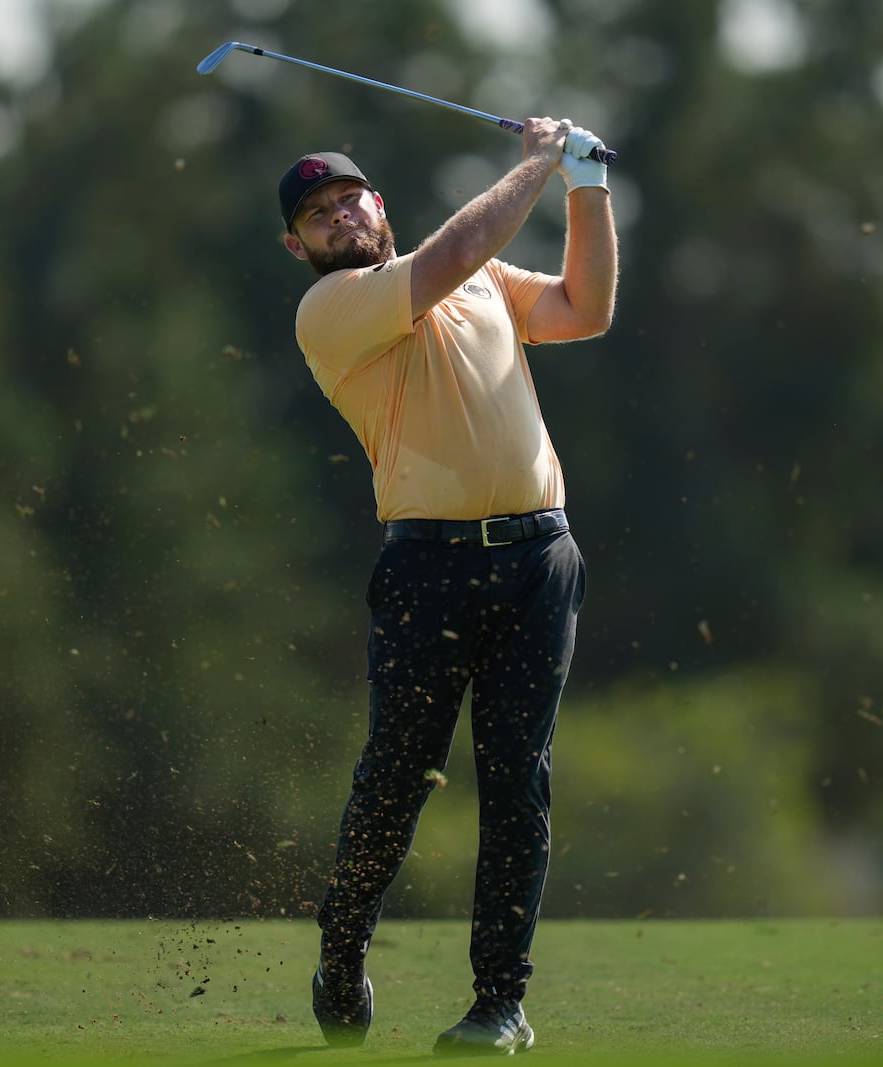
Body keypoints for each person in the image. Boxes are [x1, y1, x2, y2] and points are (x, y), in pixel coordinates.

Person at [277, 116, 617, 1055]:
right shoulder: (335, 309)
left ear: (378, 203)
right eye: (317, 212)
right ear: (298, 244)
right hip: (429, 567)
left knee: (519, 785)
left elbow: (585, 309)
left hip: (539, 558)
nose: (340, 214)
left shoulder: (485, 286)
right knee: (396, 780)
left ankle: (499, 1002)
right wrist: (542, 164)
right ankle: (341, 951)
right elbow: (458, 246)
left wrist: (587, 187)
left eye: (350, 196)